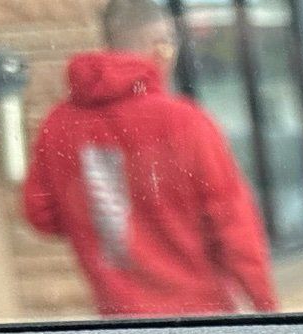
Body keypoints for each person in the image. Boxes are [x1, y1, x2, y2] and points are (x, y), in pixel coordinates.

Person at [21, 0, 279, 317]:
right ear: (159, 45)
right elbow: (236, 230)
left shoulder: (59, 124)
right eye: (171, 44)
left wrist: (102, 223)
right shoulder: (186, 122)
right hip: (200, 321)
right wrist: (268, 311)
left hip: (120, 321)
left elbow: (41, 214)